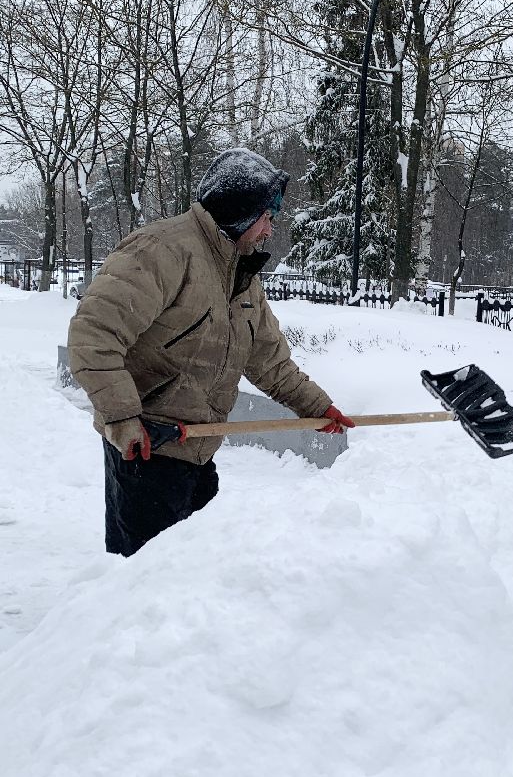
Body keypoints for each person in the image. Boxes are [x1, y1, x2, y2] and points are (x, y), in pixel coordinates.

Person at [67, 147, 355, 557]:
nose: (270, 230)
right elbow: (94, 336)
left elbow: (270, 361)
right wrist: (123, 418)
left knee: (199, 578)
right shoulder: (162, 250)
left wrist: (318, 407)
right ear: (240, 212)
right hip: (147, 447)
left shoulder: (240, 274)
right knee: (145, 583)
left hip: (199, 449)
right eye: (266, 218)